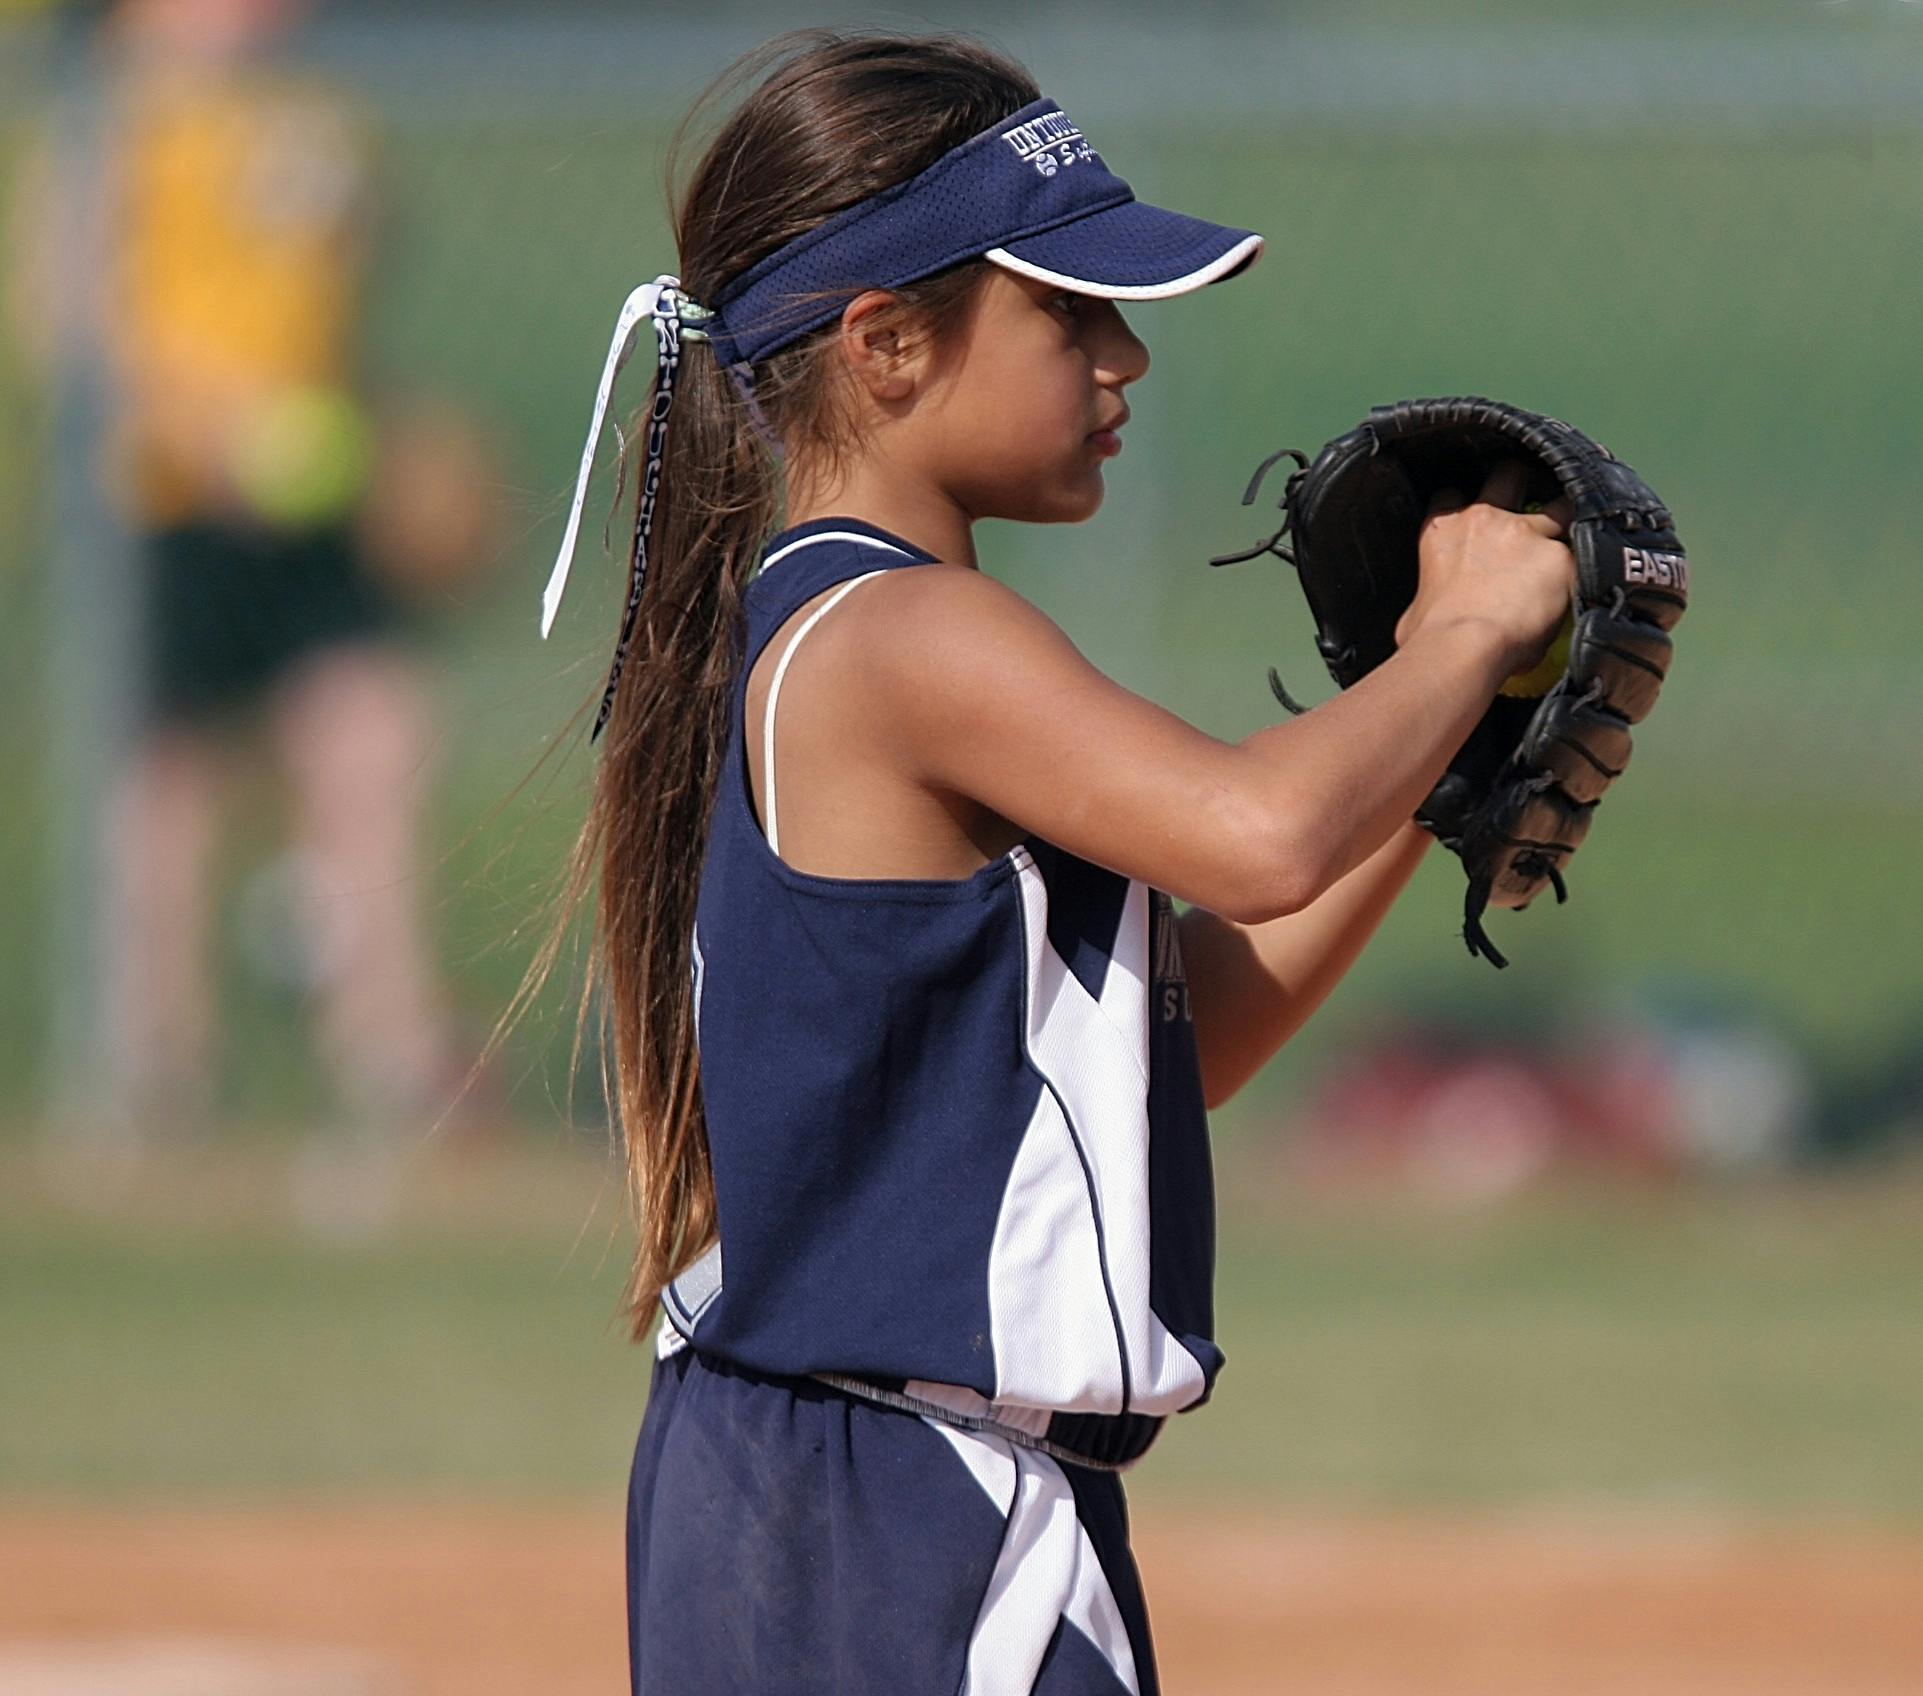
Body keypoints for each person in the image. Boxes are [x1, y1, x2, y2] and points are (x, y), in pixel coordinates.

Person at [527, 30, 1573, 1695]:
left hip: (867, 1499)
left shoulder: (855, 628)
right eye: (1065, 311)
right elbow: (1256, 832)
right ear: (883, 345)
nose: (1120, 361)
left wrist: (1438, 748)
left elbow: (1189, 1031)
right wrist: (1457, 635)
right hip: (898, 1522)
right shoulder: (904, 635)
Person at [29, 0, 464, 1216]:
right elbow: (68, 320)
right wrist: (208, 426)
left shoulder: (310, 115)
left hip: (308, 498)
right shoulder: (110, 116)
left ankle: (390, 1055)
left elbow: (337, 309)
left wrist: (378, 432)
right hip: (162, 503)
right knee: (167, 786)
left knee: (373, 736)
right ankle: (153, 1068)